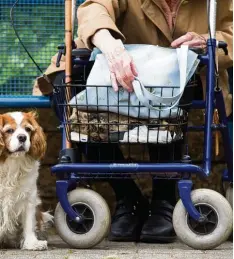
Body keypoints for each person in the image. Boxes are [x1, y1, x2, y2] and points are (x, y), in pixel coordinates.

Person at [33, 0, 233, 243]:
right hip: (120, 69)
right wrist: (111, 46)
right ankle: (127, 195)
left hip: (185, 75)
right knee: (61, 88)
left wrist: (207, 42)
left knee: (174, 88)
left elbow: (231, 33)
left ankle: (165, 200)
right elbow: (94, 8)